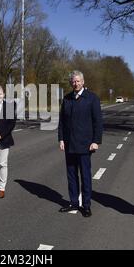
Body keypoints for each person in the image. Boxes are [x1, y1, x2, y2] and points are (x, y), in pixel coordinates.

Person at [58, 71, 103, 217]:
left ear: (83, 82)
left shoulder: (92, 98)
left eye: (78, 81)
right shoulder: (67, 99)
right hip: (69, 144)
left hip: (85, 145)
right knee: (71, 175)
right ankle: (73, 202)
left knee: (85, 176)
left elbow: (98, 122)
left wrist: (96, 141)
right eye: (73, 81)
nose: (75, 83)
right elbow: (62, 122)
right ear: (71, 83)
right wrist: (61, 139)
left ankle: (86, 204)